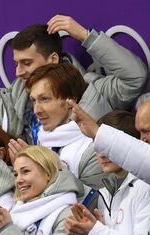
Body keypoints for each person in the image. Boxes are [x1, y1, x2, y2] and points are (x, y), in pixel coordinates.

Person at [0, 15, 147, 143]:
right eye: (16, 63)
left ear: (53, 60)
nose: (18, 72)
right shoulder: (15, 100)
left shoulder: (92, 90)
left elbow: (135, 77)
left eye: (27, 63)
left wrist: (86, 36)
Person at [21, 62, 104, 190]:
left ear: (71, 100)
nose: (36, 110)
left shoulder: (95, 147)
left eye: (44, 99)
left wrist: (39, 170)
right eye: (34, 100)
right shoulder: (42, 141)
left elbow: (93, 204)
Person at [70, 91, 150, 189]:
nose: (142, 140)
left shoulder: (148, 179)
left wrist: (98, 133)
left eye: (146, 131)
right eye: (140, 132)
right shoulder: (109, 190)